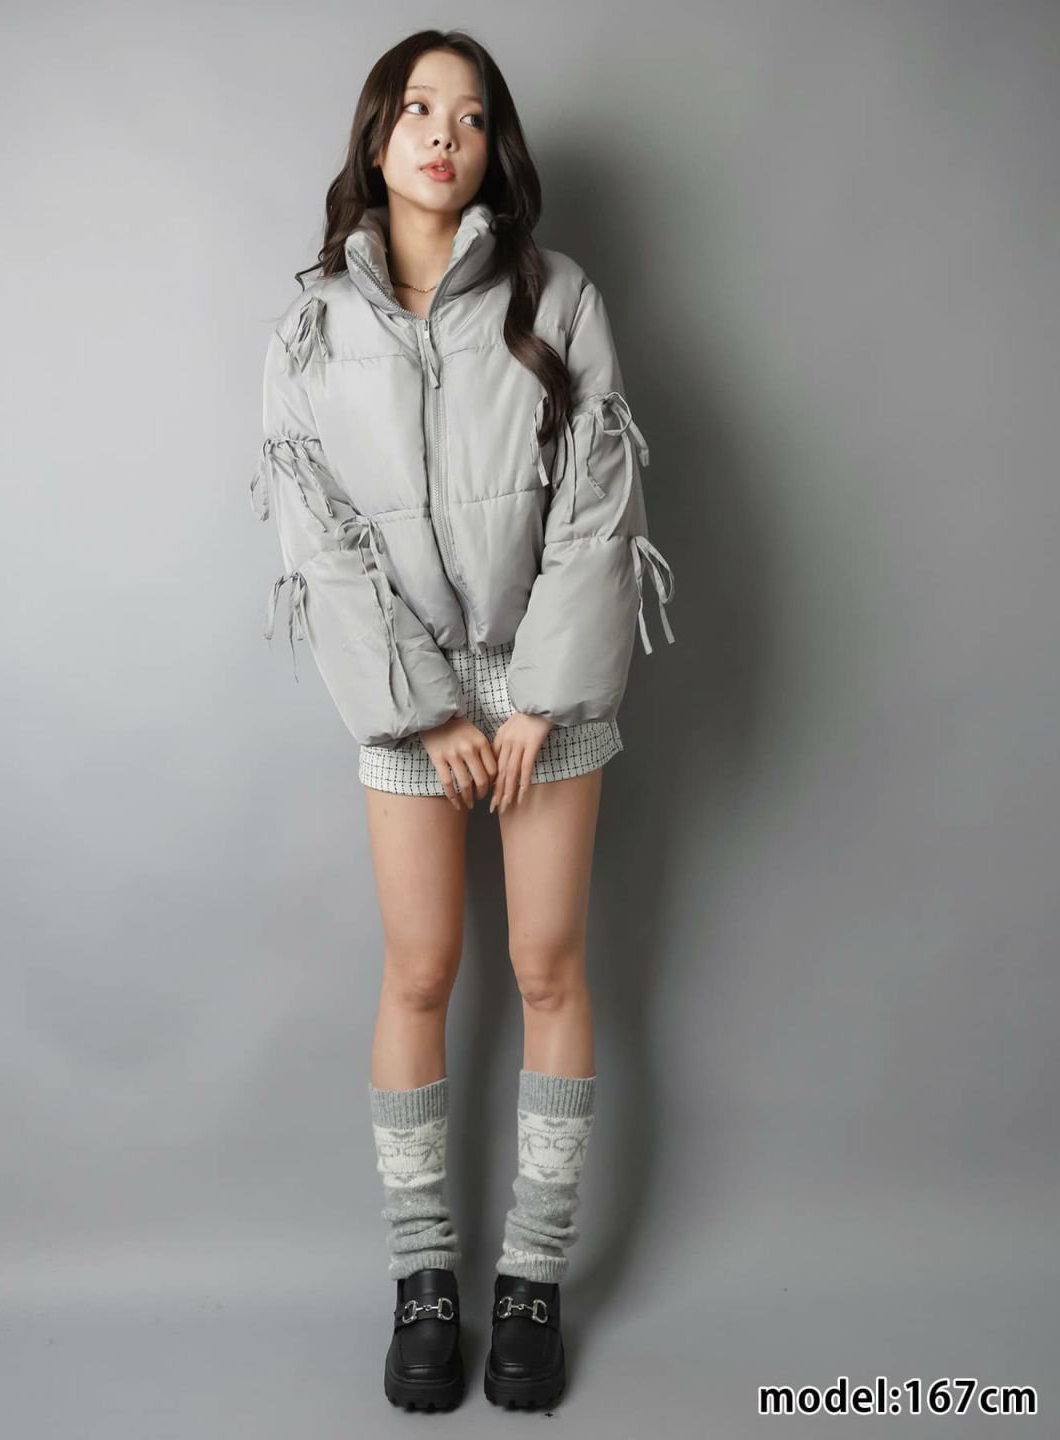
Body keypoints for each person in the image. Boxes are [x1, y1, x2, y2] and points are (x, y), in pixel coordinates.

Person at [250, 28, 675, 1412]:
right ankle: (423, 1279)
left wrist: (537, 697)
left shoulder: (559, 296)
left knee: (549, 968)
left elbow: (600, 501)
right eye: (420, 109)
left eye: (473, 115)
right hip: (408, 698)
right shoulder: (311, 327)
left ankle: (532, 1277)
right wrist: (428, 714)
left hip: (547, 685)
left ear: (496, 149)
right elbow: (320, 541)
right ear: (377, 138)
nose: (445, 133)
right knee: (420, 972)